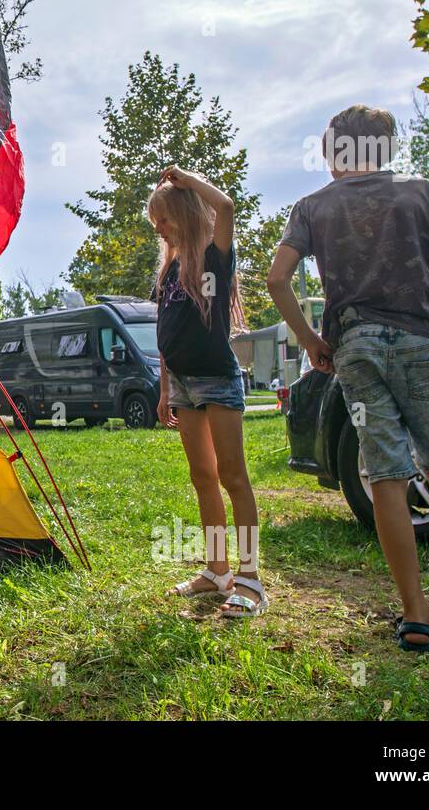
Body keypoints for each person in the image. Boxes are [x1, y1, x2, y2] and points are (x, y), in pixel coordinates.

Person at [267, 104, 429, 652]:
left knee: (387, 474)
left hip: (357, 345)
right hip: (423, 341)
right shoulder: (423, 195)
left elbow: (277, 280)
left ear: (335, 155)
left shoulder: (312, 208)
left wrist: (311, 342)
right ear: (387, 149)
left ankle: (417, 615)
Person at [150, 166, 267, 618]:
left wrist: (186, 180)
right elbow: (165, 334)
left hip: (218, 379)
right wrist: (165, 390)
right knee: (203, 478)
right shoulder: (169, 271)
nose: (159, 229)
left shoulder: (216, 258)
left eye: (163, 219)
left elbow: (225, 205)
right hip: (181, 384)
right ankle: (218, 571)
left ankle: (251, 578)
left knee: (233, 477)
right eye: (155, 222)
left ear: (182, 213)